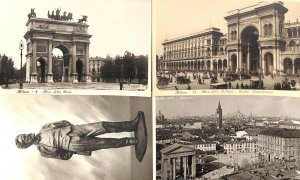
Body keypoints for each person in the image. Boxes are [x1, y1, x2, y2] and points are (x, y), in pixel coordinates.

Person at [15, 111, 147, 162]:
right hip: (72, 145)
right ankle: (132, 141)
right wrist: (72, 148)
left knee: (103, 125)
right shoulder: (43, 151)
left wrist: (73, 128)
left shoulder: (44, 128)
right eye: (25, 138)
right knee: (104, 143)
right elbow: (62, 156)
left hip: (73, 130)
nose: (27, 135)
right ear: (27, 145)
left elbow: (61, 122)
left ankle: (132, 124)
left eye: (24, 134)